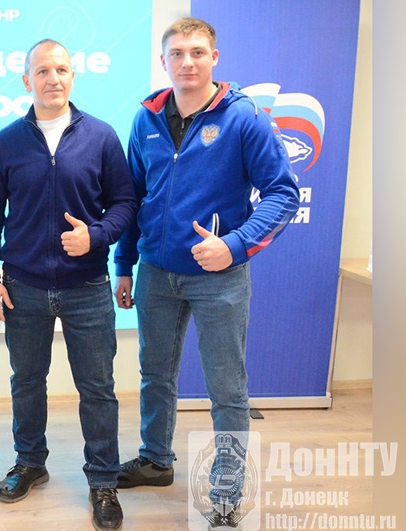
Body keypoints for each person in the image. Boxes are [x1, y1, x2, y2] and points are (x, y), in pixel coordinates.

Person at [113, 17, 300, 526]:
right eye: (177, 54)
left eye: (197, 52)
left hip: (219, 277)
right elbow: (132, 197)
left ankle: (227, 489)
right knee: (155, 374)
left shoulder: (244, 118)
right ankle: (156, 460)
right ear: (164, 61)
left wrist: (234, 246)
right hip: (155, 273)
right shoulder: (146, 119)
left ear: (214, 57)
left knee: (226, 387)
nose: (187, 62)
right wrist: (124, 264)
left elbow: (282, 193)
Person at [0, 39, 136, 530]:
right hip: (22, 285)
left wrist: (96, 237)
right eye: (42, 71)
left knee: (98, 388)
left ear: (73, 76)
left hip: (87, 286)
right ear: (27, 80)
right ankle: (30, 462)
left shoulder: (102, 137)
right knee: (26, 382)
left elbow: (125, 204)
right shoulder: (6, 142)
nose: (53, 78)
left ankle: (103, 480)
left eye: (61, 69)